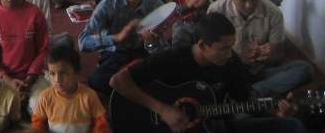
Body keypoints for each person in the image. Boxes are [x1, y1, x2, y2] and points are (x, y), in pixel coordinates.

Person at [109, 13, 304, 133]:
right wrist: (164, 110)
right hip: (157, 123)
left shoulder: (231, 64)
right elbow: (117, 81)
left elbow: (245, 100)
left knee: (292, 126)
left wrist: (275, 110)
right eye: (222, 48)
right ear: (202, 45)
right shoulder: (173, 58)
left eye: (231, 47)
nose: (229, 54)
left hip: (214, 125)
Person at [208, 0, 312, 97]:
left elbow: (278, 56)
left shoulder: (273, 13)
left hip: (258, 70)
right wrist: (238, 58)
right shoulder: (216, 10)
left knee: (304, 68)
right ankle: (252, 93)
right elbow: (210, 52)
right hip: (227, 69)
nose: (248, 5)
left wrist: (264, 55)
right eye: (243, 0)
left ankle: (253, 93)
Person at [78, 0, 163, 96]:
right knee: (96, 80)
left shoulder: (156, 5)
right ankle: (135, 91)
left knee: (165, 71)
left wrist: (150, 44)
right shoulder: (107, 5)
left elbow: (160, 48)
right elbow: (83, 42)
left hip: (143, 52)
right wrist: (116, 38)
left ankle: (125, 90)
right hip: (115, 53)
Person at [31, 45, 110, 133]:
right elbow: (38, 124)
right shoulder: (45, 97)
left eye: (63, 73)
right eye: (52, 74)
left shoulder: (89, 96)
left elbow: (101, 124)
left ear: (76, 73)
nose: (57, 80)